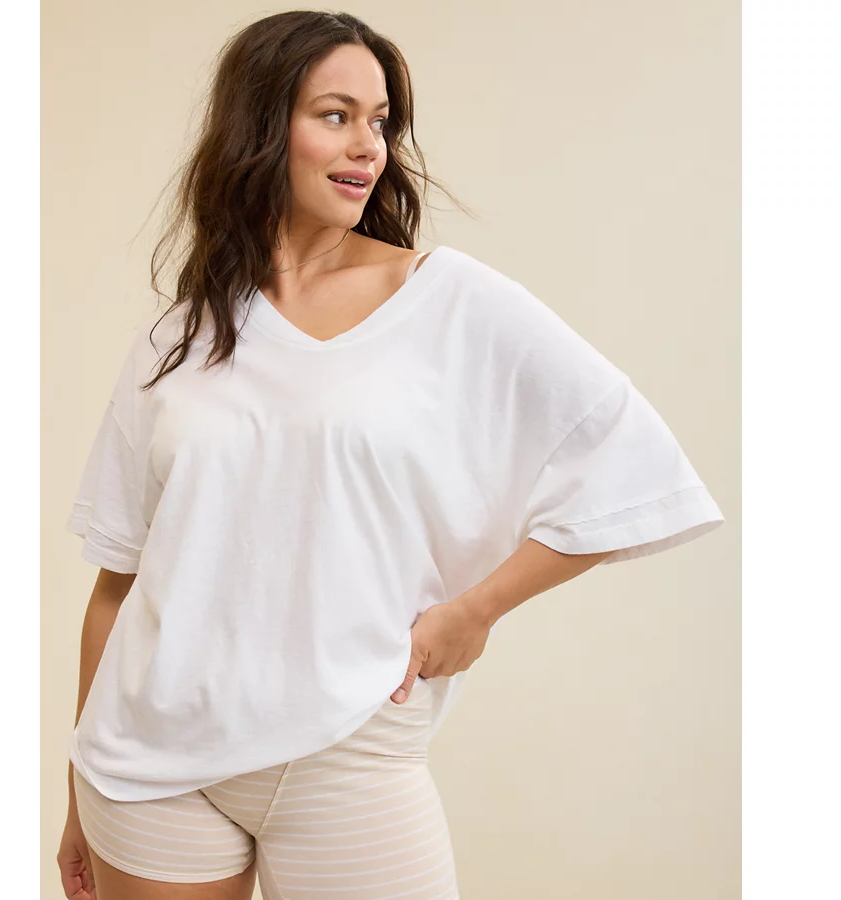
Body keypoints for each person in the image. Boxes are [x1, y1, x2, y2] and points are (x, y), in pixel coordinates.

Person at [56, 10, 725, 900]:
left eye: (379, 121)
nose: (367, 145)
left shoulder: (447, 301)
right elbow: (118, 583)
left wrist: (477, 611)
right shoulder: (180, 337)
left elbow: (632, 463)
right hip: (145, 766)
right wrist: (77, 787)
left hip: (348, 748)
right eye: (335, 115)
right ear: (261, 128)